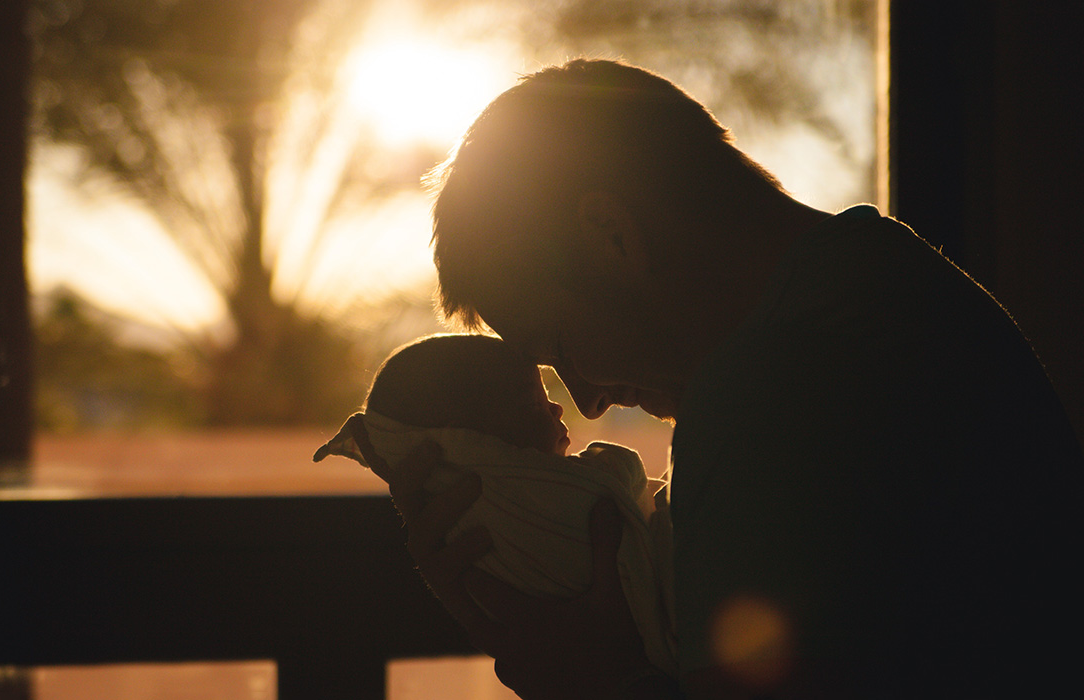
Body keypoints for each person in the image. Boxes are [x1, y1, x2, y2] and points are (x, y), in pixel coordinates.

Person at [364, 59, 1084, 699]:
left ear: (612, 235)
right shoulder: (895, 284)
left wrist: (583, 675)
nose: (585, 400)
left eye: (562, 347)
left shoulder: (769, 391)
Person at [314, 333, 677, 677]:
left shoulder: (465, 525)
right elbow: (623, 484)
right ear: (466, 441)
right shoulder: (518, 502)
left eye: (567, 344)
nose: (563, 406)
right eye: (533, 403)